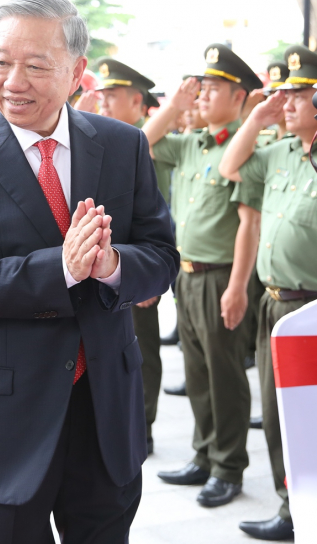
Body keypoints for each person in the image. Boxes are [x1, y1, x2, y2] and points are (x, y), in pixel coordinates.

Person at [0, 0, 178, 542]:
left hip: (104, 407)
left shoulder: (123, 146)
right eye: (1, 61)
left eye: (35, 66)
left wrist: (110, 265)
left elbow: (161, 257)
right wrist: (57, 268)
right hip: (7, 419)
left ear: (76, 73)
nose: (13, 81)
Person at [143, 44, 264, 508]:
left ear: (239, 97)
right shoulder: (191, 142)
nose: (203, 94)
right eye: (202, 86)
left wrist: (237, 286)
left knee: (225, 375)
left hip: (222, 277)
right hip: (187, 275)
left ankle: (229, 467)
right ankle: (204, 454)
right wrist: (174, 105)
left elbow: (248, 224)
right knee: (196, 373)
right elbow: (143, 142)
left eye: (213, 88)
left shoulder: (246, 148)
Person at [218, 44, 317, 541]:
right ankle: (290, 505)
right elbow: (228, 168)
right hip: (274, 303)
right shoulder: (278, 152)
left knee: (312, 414)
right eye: (285, 95)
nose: (288, 103)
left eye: (299, 95)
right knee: (281, 413)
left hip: (312, 308)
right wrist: (256, 120)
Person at [93, 57, 169, 455]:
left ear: (139, 102)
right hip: (97, 269)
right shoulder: (94, 139)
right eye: (101, 94)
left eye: (113, 95)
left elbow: (153, 214)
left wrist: (142, 273)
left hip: (132, 261)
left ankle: (144, 423)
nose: (103, 102)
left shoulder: (142, 139)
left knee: (142, 349)